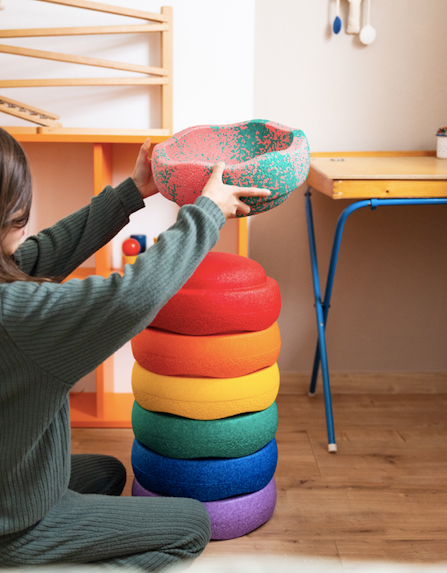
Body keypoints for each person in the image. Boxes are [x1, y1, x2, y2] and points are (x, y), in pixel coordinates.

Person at [0, 127, 270, 570]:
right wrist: (206, 216)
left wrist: (132, 192)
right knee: (192, 523)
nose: (25, 218)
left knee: (107, 473)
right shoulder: (15, 313)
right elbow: (129, 299)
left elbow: (38, 255)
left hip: (12, 483)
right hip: (15, 523)